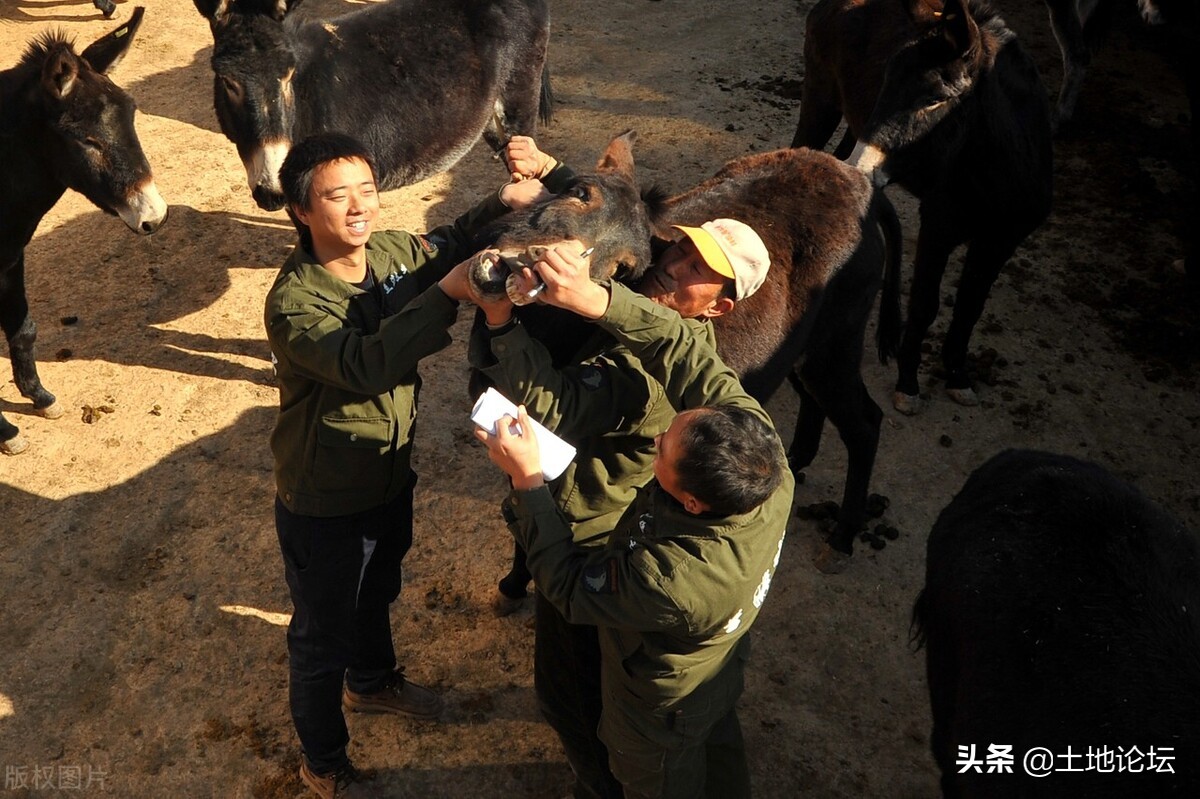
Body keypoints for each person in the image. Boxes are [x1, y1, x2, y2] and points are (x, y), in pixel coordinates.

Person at [470, 137, 773, 798]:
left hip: (583, 535)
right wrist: (558, 173)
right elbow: (638, 268)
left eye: (698, 269)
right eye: (682, 247)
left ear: (720, 308)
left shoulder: (650, 382)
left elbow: (554, 403)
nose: (673, 264)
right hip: (624, 551)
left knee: (570, 699)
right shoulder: (700, 365)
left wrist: (498, 321)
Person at [264, 130, 547, 799]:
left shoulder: (384, 252)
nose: (360, 206)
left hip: (386, 474)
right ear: (302, 211)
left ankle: (373, 682)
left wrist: (498, 202)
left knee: (377, 588)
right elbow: (364, 363)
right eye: (339, 196)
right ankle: (324, 764)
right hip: (325, 499)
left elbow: (442, 246)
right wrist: (447, 295)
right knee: (318, 640)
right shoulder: (296, 303)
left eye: (368, 189)